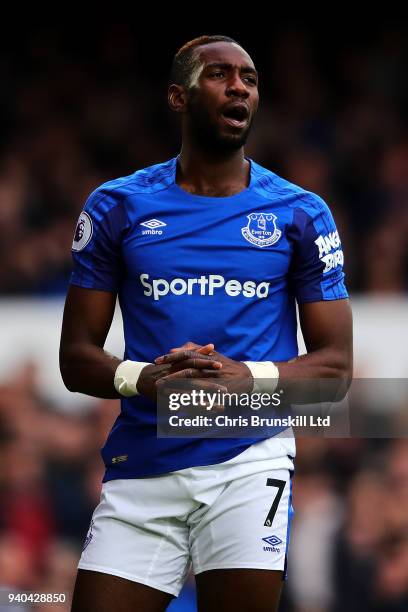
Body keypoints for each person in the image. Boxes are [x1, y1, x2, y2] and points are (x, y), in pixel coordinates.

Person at [60, 35, 353, 612]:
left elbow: (335, 369)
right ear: (179, 96)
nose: (240, 86)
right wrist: (146, 380)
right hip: (143, 463)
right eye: (220, 75)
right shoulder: (115, 206)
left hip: (250, 459)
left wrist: (249, 379)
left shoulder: (300, 212)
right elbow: (75, 358)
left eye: (249, 78)